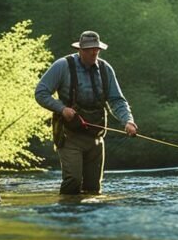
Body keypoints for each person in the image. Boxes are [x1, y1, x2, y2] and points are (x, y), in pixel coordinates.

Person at [35, 30, 137, 195]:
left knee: (93, 188)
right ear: (80, 50)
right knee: (73, 180)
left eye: (96, 48)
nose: (93, 52)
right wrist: (62, 109)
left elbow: (117, 100)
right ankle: (68, 216)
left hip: (96, 137)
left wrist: (128, 121)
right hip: (69, 135)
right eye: (89, 49)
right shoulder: (62, 66)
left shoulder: (106, 69)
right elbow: (41, 92)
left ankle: (89, 219)